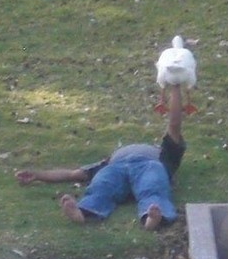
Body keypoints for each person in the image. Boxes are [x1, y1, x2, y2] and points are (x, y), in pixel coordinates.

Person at [15, 85, 187, 230]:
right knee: (101, 187)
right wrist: (38, 175)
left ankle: (153, 218)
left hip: (148, 166)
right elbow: (71, 174)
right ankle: (82, 212)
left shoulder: (164, 157)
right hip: (114, 168)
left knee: (152, 187)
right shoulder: (106, 163)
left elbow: (174, 124)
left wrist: (175, 86)